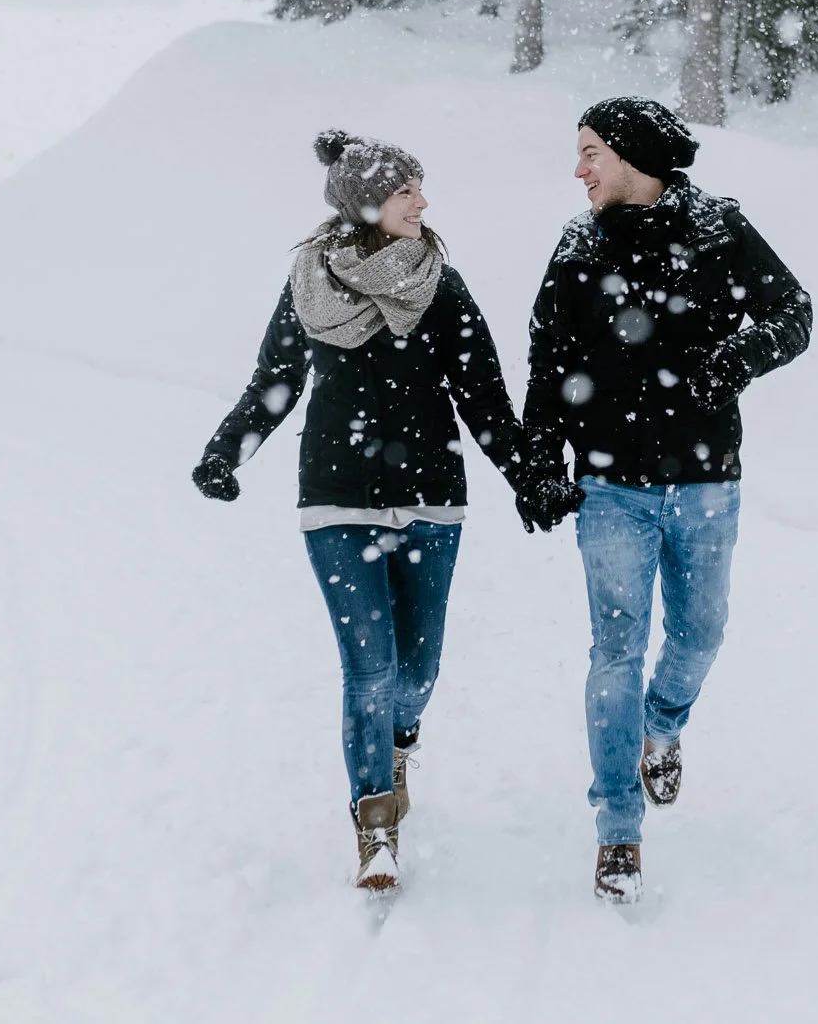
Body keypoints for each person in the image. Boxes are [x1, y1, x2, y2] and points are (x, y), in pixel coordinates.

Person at [192, 130, 579, 894]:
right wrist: (225, 453)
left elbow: (486, 401)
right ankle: (375, 823)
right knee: (368, 668)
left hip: (432, 499)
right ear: (368, 201)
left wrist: (530, 478)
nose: (424, 203)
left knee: (416, 671)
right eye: (408, 192)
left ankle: (398, 743)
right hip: (336, 500)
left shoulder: (443, 284)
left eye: (420, 190)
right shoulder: (309, 283)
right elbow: (275, 382)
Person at [522, 97, 812, 903]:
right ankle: (618, 830)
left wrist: (735, 358)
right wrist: (541, 462)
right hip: (611, 486)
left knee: (702, 633)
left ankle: (666, 725)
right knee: (614, 651)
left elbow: (794, 313)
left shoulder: (719, 229)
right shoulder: (580, 245)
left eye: (590, 153)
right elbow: (547, 363)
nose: (578, 170)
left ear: (632, 155)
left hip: (707, 479)